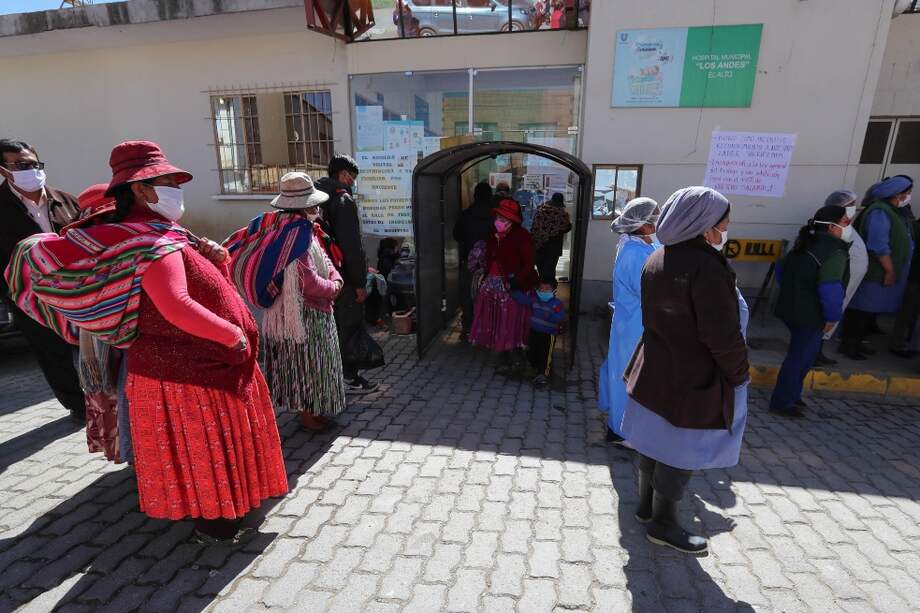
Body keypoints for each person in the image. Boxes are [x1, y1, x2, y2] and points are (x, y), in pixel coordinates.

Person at [8, 141, 289, 543]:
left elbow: (200, 287)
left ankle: (226, 512)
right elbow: (177, 305)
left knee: (206, 452)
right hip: (190, 374)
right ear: (140, 190)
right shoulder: (151, 243)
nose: (177, 187)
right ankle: (217, 525)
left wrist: (219, 263)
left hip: (191, 369)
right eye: (168, 181)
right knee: (205, 453)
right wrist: (233, 336)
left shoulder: (161, 233)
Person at [621, 187, 749, 555]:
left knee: (653, 440)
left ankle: (646, 508)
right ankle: (663, 523)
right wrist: (739, 373)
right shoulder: (707, 268)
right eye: (723, 223)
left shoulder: (658, 257)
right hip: (694, 377)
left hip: (656, 367)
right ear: (705, 226)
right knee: (681, 451)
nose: (725, 230)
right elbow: (721, 335)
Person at [225, 172, 347, 432]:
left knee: (305, 363)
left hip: (296, 312)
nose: (317, 208)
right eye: (313, 204)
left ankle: (313, 410)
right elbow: (307, 281)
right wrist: (333, 288)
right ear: (304, 206)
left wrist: (335, 276)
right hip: (301, 315)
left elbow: (323, 260)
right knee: (308, 366)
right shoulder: (295, 235)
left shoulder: (297, 229)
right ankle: (308, 414)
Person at [0, 139, 86, 420]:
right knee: (52, 354)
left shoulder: (66, 201)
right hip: (29, 298)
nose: (31, 170)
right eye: (22, 165)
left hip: (78, 290)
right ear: (4, 170)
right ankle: (79, 407)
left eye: (35, 164)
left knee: (89, 347)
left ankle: (103, 399)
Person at [770, 205, 852, 418]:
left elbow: (781, 268)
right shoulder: (835, 252)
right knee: (799, 357)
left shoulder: (806, 242)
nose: (848, 226)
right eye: (845, 221)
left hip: (792, 307)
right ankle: (782, 401)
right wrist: (833, 316)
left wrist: (793, 291)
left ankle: (792, 395)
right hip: (811, 313)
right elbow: (830, 288)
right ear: (832, 227)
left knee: (804, 355)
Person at [598, 197, 659, 446]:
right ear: (643, 225)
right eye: (656, 219)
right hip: (636, 324)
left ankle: (619, 423)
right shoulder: (636, 253)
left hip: (631, 323)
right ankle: (621, 430)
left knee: (622, 371)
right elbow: (650, 291)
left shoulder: (637, 245)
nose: (659, 223)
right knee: (629, 376)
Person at [316, 154, 379, 394]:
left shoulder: (316, 197)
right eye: (352, 178)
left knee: (330, 327)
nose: (352, 182)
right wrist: (359, 282)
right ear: (343, 175)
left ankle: (331, 375)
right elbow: (352, 248)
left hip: (319, 275)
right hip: (342, 276)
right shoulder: (342, 200)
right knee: (349, 325)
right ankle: (349, 378)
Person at [74, 184, 125, 462]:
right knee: (112, 389)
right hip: (102, 335)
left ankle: (127, 450)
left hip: (95, 336)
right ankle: (130, 450)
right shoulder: (83, 247)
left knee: (113, 390)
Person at [839, 176, 915, 360]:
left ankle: (858, 342)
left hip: (883, 269)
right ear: (897, 194)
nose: (908, 196)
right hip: (876, 270)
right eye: (907, 193)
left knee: (869, 310)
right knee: (861, 308)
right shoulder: (879, 212)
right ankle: (849, 344)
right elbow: (878, 244)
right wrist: (889, 270)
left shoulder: (893, 210)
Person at [469, 198, 539, 374]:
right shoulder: (493, 235)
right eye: (499, 217)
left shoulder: (522, 236)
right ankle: (504, 357)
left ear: (513, 221)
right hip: (492, 286)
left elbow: (529, 263)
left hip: (512, 287)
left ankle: (517, 360)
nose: (500, 222)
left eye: (504, 219)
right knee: (496, 323)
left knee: (511, 323)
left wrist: (517, 280)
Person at [815, 190, 868, 366]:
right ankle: (814, 352)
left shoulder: (844, 226)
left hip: (846, 282)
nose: (854, 208)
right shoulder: (833, 228)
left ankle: (816, 350)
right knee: (827, 315)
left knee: (833, 314)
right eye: (850, 205)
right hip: (836, 282)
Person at [453, 182, 494, 340]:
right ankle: (487, 328)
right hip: (491, 264)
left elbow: (457, 235)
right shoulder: (495, 215)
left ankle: (468, 328)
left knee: (467, 295)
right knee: (490, 295)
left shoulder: (466, 214)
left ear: (475, 195)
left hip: (469, 262)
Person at [514, 278, 567, 387]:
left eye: (547, 289)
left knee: (545, 354)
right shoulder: (535, 300)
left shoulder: (556, 304)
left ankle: (543, 374)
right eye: (541, 289)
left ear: (554, 291)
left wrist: (551, 316)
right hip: (534, 332)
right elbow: (523, 299)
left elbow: (561, 316)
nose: (543, 291)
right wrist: (513, 291)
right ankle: (536, 367)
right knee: (532, 351)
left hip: (548, 334)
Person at [890, 195, 920, 357]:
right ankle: (899, 344)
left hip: (913, 276)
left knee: (908, 313)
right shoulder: (915, 227)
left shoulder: (914, 226)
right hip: (915, 277)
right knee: (907, 313)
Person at [531, 193, 573, 282]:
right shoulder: (562, 214)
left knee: (541, 270)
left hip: (539, 245)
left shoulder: (540, 210)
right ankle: (549, 292)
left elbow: (534, 228)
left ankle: (540, 291)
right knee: (549, 272)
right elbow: (567, 227)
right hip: (553, 247)